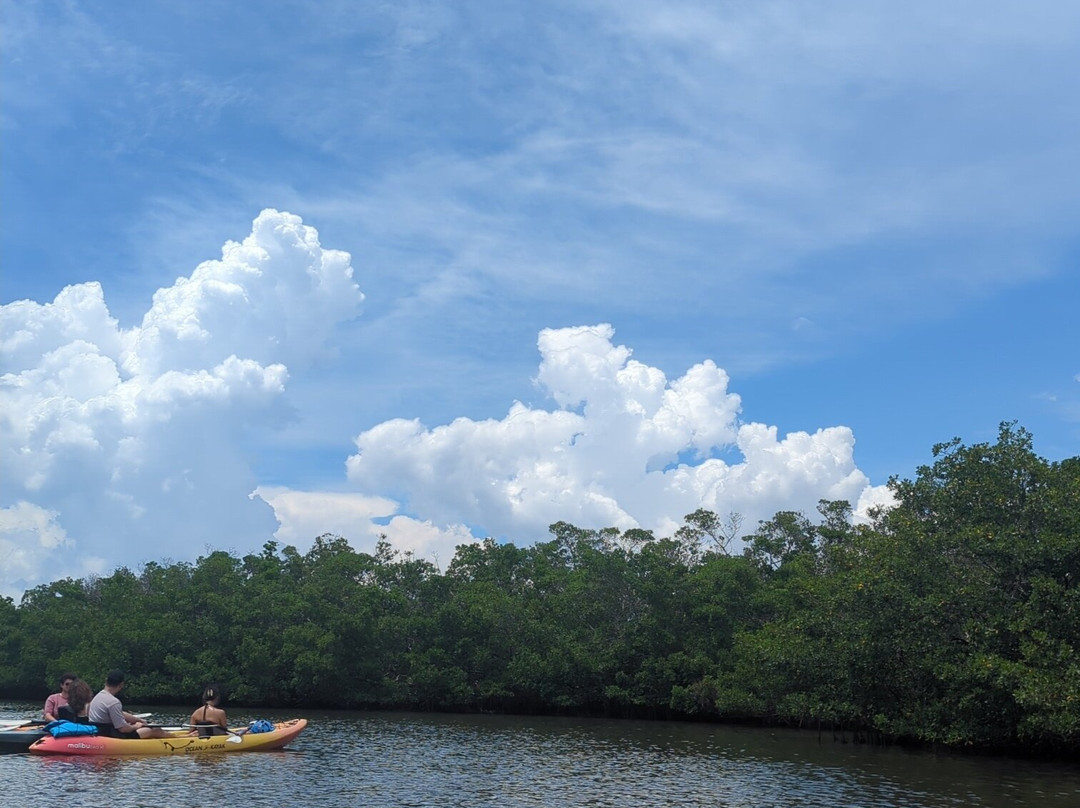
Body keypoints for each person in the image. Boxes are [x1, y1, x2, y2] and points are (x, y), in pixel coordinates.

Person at [88, 670, 168, 739]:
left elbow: (121, 714)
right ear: (121, 685)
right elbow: (123, 729)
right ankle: (174, 738)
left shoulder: (97, 697)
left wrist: (139, 720)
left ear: (106, 681)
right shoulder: (113, 702)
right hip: (113, 736)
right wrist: (136, 726)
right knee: (155, 729)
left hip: (101, 732)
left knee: (143, 725)